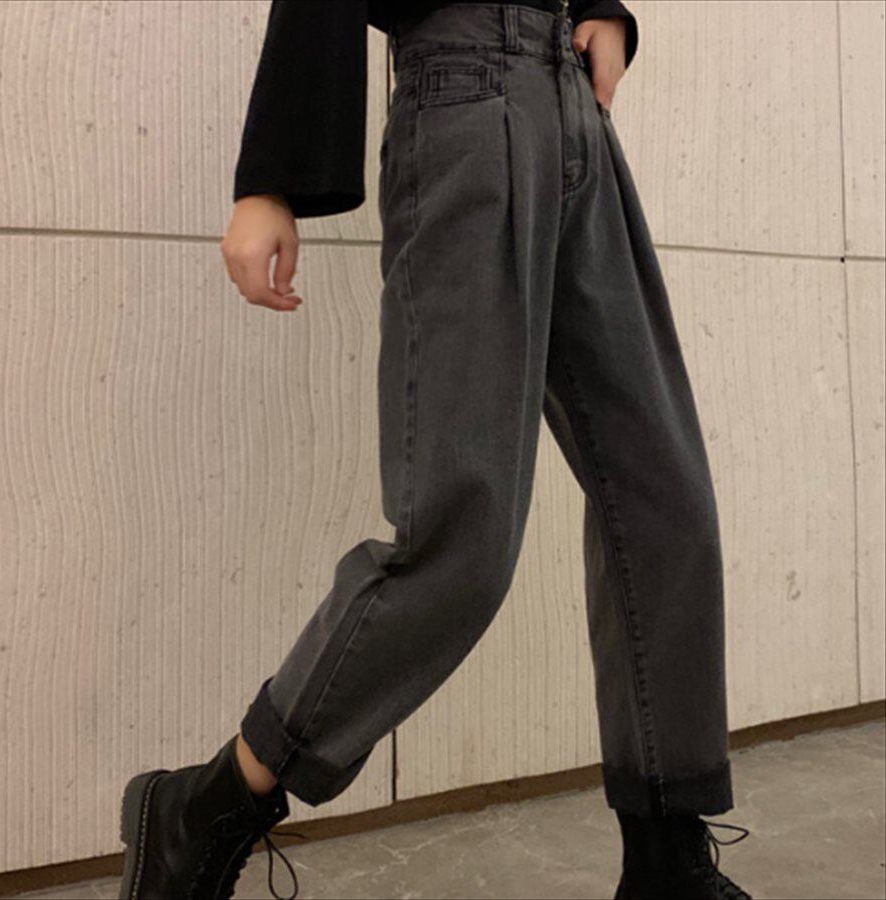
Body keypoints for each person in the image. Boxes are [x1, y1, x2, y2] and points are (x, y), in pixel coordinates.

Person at [117, 2, 755, 899]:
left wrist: (602, 10)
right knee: (463, 536)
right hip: (465, 97)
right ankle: (210, 803)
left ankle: (665, 863)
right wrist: (271, 177)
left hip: (574, 108)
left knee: (667, 504)